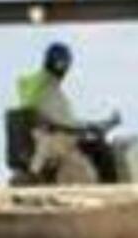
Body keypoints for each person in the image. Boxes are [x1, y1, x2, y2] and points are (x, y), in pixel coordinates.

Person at [15, 43, 120, 184]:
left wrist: (89, 125)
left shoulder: (38, 90)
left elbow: (63, 120)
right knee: (100, 149)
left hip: (53, 140)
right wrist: (92, 126)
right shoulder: (49, 91)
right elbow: (65, 123)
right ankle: (111, 189)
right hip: (59, 142)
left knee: (93, 145)